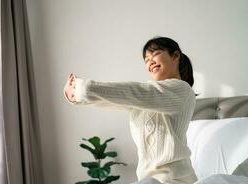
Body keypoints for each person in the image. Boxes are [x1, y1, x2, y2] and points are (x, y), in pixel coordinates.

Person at [63, 36, 198, 184]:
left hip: (173, 179)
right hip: (148, 180)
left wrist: (85, 88)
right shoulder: (147, 100)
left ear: (176, 56)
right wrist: (76, 96)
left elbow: (137, 92)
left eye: (155, 54)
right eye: (146, 59)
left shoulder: (182, 90)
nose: (150, 61)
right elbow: (113, 101)